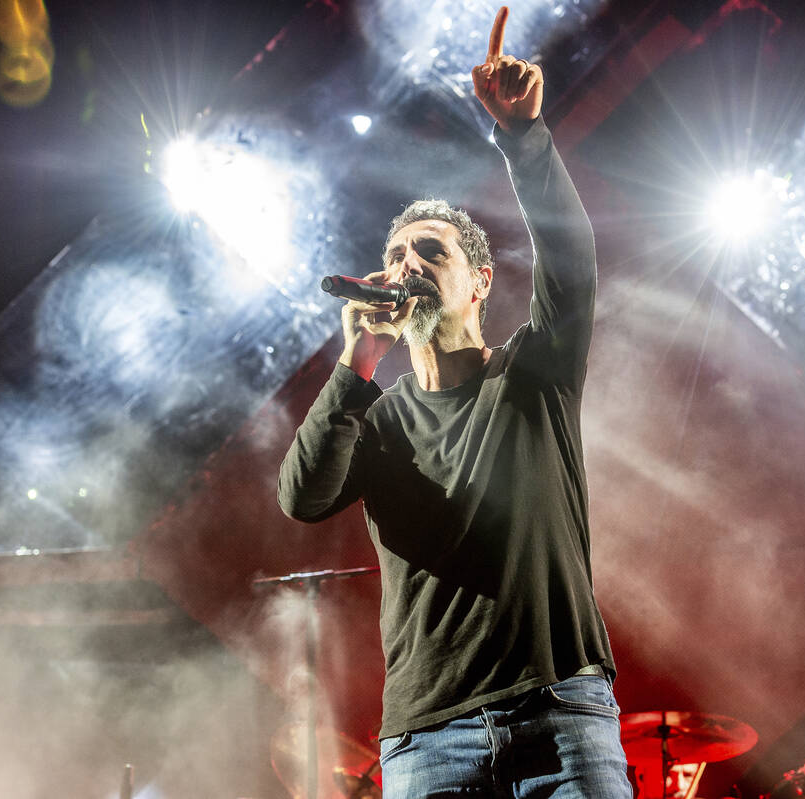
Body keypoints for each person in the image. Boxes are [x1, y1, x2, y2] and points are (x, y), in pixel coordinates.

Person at [278, 7, 632, 797]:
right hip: (426, 739)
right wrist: (356, 358)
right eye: (396, 255)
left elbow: (572, 260)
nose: (408, 263)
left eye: (430, 251)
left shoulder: (533, 373)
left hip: (562, 715)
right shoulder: (377, 421)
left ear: (478, 282)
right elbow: (302, 497)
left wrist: (525, 138)